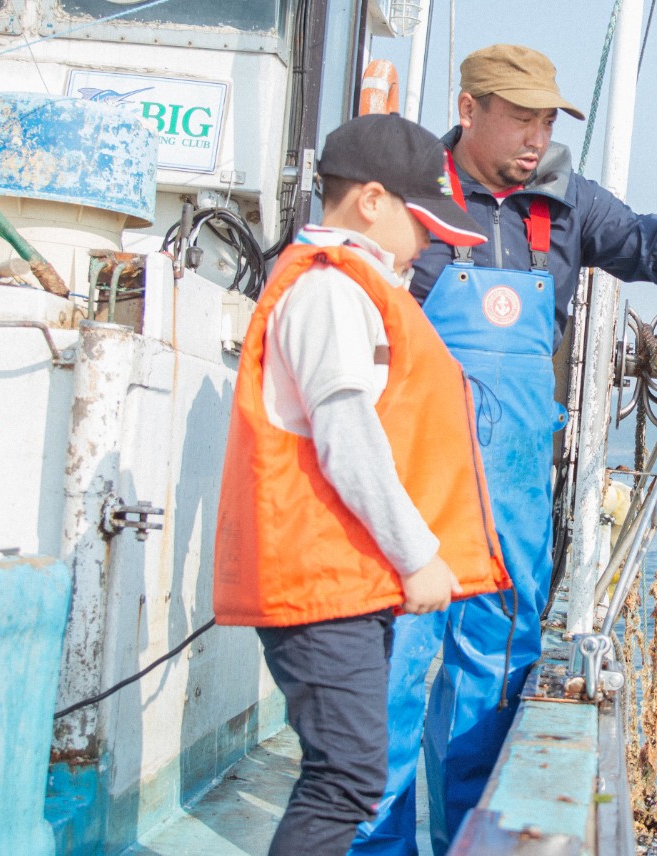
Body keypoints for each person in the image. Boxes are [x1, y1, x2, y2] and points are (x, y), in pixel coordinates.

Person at [351, 45, 657, 856]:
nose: (537, 136)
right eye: (520, 116)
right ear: (468, 109)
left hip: (508, 504)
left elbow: (651, 241)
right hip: (407, 496)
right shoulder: (407, 197)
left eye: (547, 118)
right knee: (390, 697)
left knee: (488, 701)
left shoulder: (566, 206)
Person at [213, 114, 511, 856]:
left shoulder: (364, 289)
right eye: (424, 221)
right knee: (346, 775)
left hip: (344, 582)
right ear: (371, 202)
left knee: (349, 767)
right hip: (320, 586)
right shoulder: (328, 291)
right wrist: (417, 556)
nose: (434, 240)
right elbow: (347, 436)